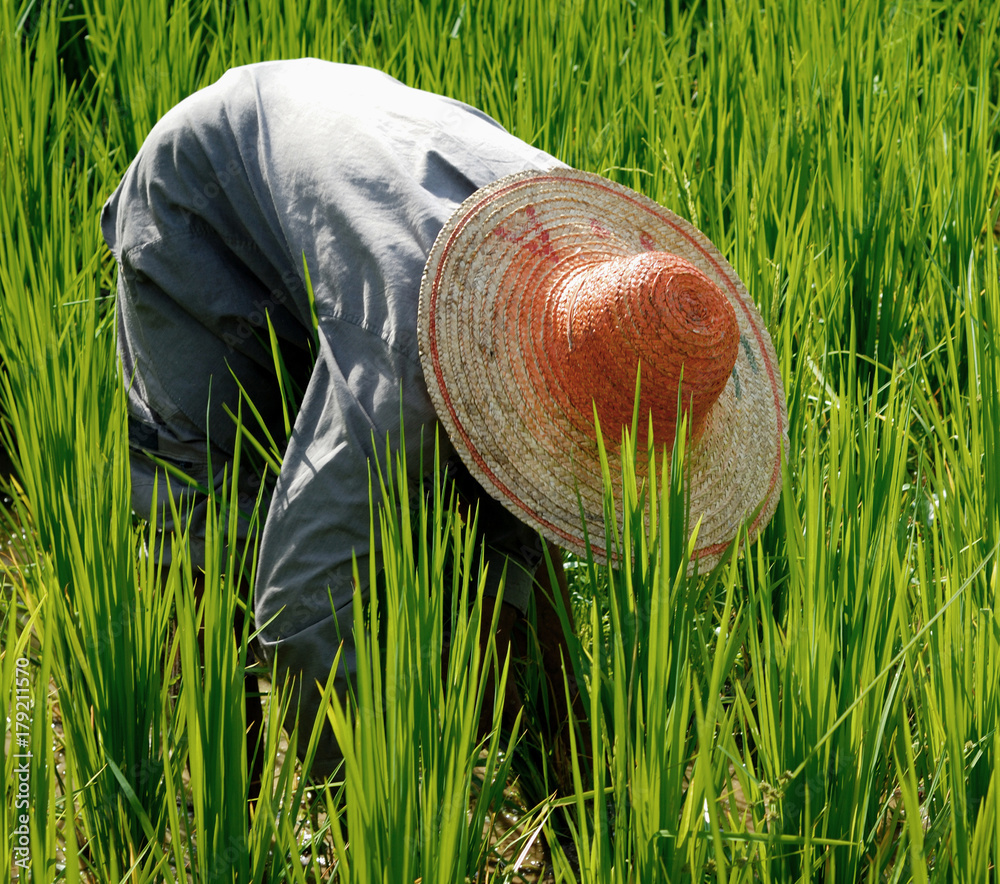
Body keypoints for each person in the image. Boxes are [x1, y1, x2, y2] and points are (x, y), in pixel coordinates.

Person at [101, 59, 787, 785]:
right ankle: (222, 813)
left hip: (352, 175)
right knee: (210, 528)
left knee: (506, 530)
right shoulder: (408, 364)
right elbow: (302, 607)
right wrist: (379, 816)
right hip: (207, 192)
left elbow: (520, 537)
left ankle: (570, 794)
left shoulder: (597, 270)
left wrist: (578, 792)